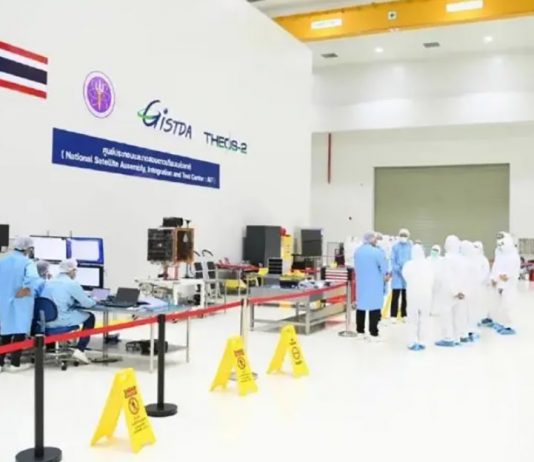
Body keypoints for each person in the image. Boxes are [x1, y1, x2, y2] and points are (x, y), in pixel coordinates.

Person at [40, 258, 97, 364]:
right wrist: (95, 299)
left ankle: (50, 349)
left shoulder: (48, 282)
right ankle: (80, 350)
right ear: (72, 271)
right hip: (61, 320)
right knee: (90, 317)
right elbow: (87, 303)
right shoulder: (71, 284)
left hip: (44, 323)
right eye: (75, 270)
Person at [0, 237, 41, 372]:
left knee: (5, 332)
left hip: (4, 301)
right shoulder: (27, 262)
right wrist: (27, 288)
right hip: (21, 301)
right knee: (19, 331)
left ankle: (0, 363)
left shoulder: (3, 261)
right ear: (28, 249)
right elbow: (33, 278)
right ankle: (14, 364)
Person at [354, 231, 389, 342]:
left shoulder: (357, 251)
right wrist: (386, 276)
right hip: (375, 284)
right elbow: (384, 268)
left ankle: (360, 332)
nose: (376, 241)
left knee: (361, 307)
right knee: (374, 307)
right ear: (372, 239)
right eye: (375, 239)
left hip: (361, 284)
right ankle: (373, 333)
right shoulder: (377, 252)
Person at [435, 235, 468, 347]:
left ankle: (448, 338)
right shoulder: (462, 259)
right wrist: (463, 291)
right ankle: (457, 337)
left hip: (448, 293)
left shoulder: (447, 259)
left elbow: (447, 277)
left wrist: (455, 291)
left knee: (446, 316)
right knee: (458, 316)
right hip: (461, 293)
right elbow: (466, 277)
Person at [402, 244, 434, 351]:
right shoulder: (428, 264)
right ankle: (423, 341)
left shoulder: (408, 265)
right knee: (424, 318)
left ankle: (412, 342)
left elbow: (405, 277)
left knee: (412, 319)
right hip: (426, 295)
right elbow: (432, 278)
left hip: (413, 295)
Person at [489, 233, 520, 335]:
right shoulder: (499, 254)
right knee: (499, 305)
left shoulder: (513, 256)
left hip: (509, 285)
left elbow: (514, 272)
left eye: (502, 244)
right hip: (499, 284)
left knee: (508, 305)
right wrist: (493, 278)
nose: (500, 246)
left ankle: (510, 327)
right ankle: (501, 323)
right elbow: (496, 267)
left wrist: (507, 276)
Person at [390, 228, 412, 322]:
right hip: (397, 275)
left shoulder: (410, 247)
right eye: (402, 235)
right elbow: (393, 260)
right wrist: (398, 269)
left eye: (405, 235)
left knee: (405, 296)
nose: (403, 237)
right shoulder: (395, 247)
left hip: (407, 275)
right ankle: (393, 315)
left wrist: (407, 270)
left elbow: (412, 259)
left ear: (408, 236)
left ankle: (404, 314)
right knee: (395, 296)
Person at [471, 241, 491, 337]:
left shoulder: (484, 260)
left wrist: (478, 281)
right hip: (472, 286)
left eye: (477, 247)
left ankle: (481, 319)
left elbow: (486, 273)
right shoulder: (471, 259)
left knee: (481, 303)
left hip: (481, 286)